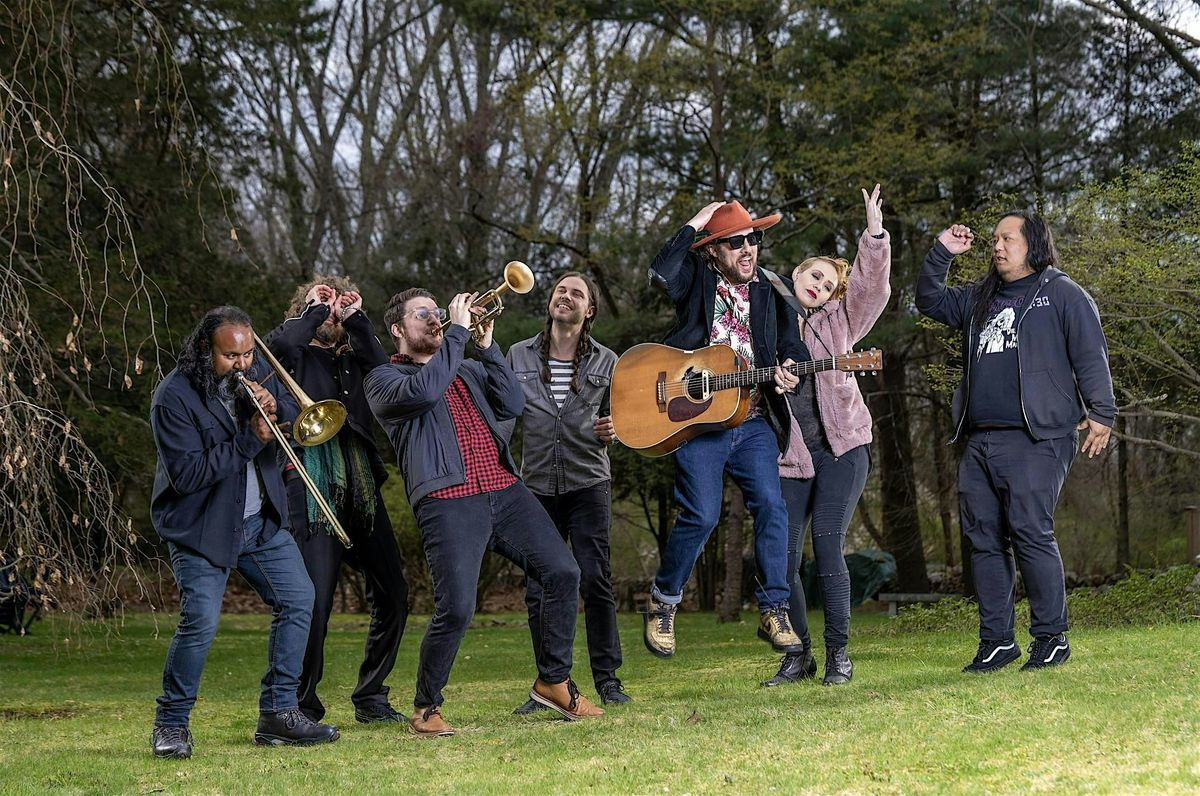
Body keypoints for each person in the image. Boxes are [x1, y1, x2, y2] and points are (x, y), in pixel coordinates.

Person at [364, 287, 603, 736]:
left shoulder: (469, 367)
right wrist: (456, 332)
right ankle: (426, 707)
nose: (435, 320)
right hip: (448, 499)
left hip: (504, 488)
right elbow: (427, 388)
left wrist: (488, 347)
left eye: (438, 312)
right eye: (423, 315)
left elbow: (513, 404)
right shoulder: (384, 381)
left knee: (563, 572)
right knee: (456, 608)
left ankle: (553, 681)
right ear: (398, 330)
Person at [916, 211, 1116, 673]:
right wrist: (942, 251)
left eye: (1008, 238)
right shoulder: (981, 298)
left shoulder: (1063, 294)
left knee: (1029, 531)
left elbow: (1090, 352)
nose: (998, 246)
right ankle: (997, 643)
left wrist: (1102, 412)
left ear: (1034, 243)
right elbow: (929, 300)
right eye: (995, 240)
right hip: (979, 440)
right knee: (983, 541)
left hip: (1037, 437)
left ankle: (1051, 639)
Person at [149, 306, 338, 759]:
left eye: (249, 353)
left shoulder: (254, 381)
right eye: (231, 355)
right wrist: (251, 437)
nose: (243, 363)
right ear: (203, 350)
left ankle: (278, 714)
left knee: (299, 601)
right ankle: (171, 725)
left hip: (260, 522)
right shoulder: (173, 397)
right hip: (202, 527)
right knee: (201, 624)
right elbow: (189, 475)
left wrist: (280, 410)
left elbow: (294, 424)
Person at [643, 200, 811, 659]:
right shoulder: (697, 280)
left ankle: (774, 609)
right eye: (735, 242)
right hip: (698, 420)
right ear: (714, 251)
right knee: (702, 515)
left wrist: (790, 370)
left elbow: (791, 347)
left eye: (752, 239)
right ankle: (664, 599)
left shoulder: (773, 291)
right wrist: (696, 223)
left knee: (773, 508)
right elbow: (661, 269)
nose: (747, 248)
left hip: (752, 417)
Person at [265, 276, 409, 725]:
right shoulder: (290, 349)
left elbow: (384, 367)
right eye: (322, 306)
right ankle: (301, 705)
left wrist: (356, 318)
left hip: (361, 484)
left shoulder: (357, 356)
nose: (329, 314)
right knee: (316, 601)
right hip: (310, 483)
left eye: (333, 307)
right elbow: (276, 345)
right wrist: (311, 311)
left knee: (395, 595)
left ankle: (371, 696)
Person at [763, 185, 891, 689]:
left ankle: (839, 654)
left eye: (829, 282)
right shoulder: (764, 321)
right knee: (784, 558)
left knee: (827, 544)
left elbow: (871, 289)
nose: (820, 284)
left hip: (843, 449)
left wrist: (874, 236)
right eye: (814, 273)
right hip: (789, 459)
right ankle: (799, 656)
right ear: (796, 273)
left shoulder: (842, 320)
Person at [505, 272, 629, 714]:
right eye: (561, 290)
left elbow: (623, 419)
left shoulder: (608, 361)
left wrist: (613, 429)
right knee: (540, 588)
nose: (567, 296)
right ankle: (550, 684)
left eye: (577, 293)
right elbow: (503, 418)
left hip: (588, 483)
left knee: (596, 580)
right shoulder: (517, 354)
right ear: (550, 302)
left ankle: (608, 680)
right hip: (535, 487)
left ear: (588, 310)